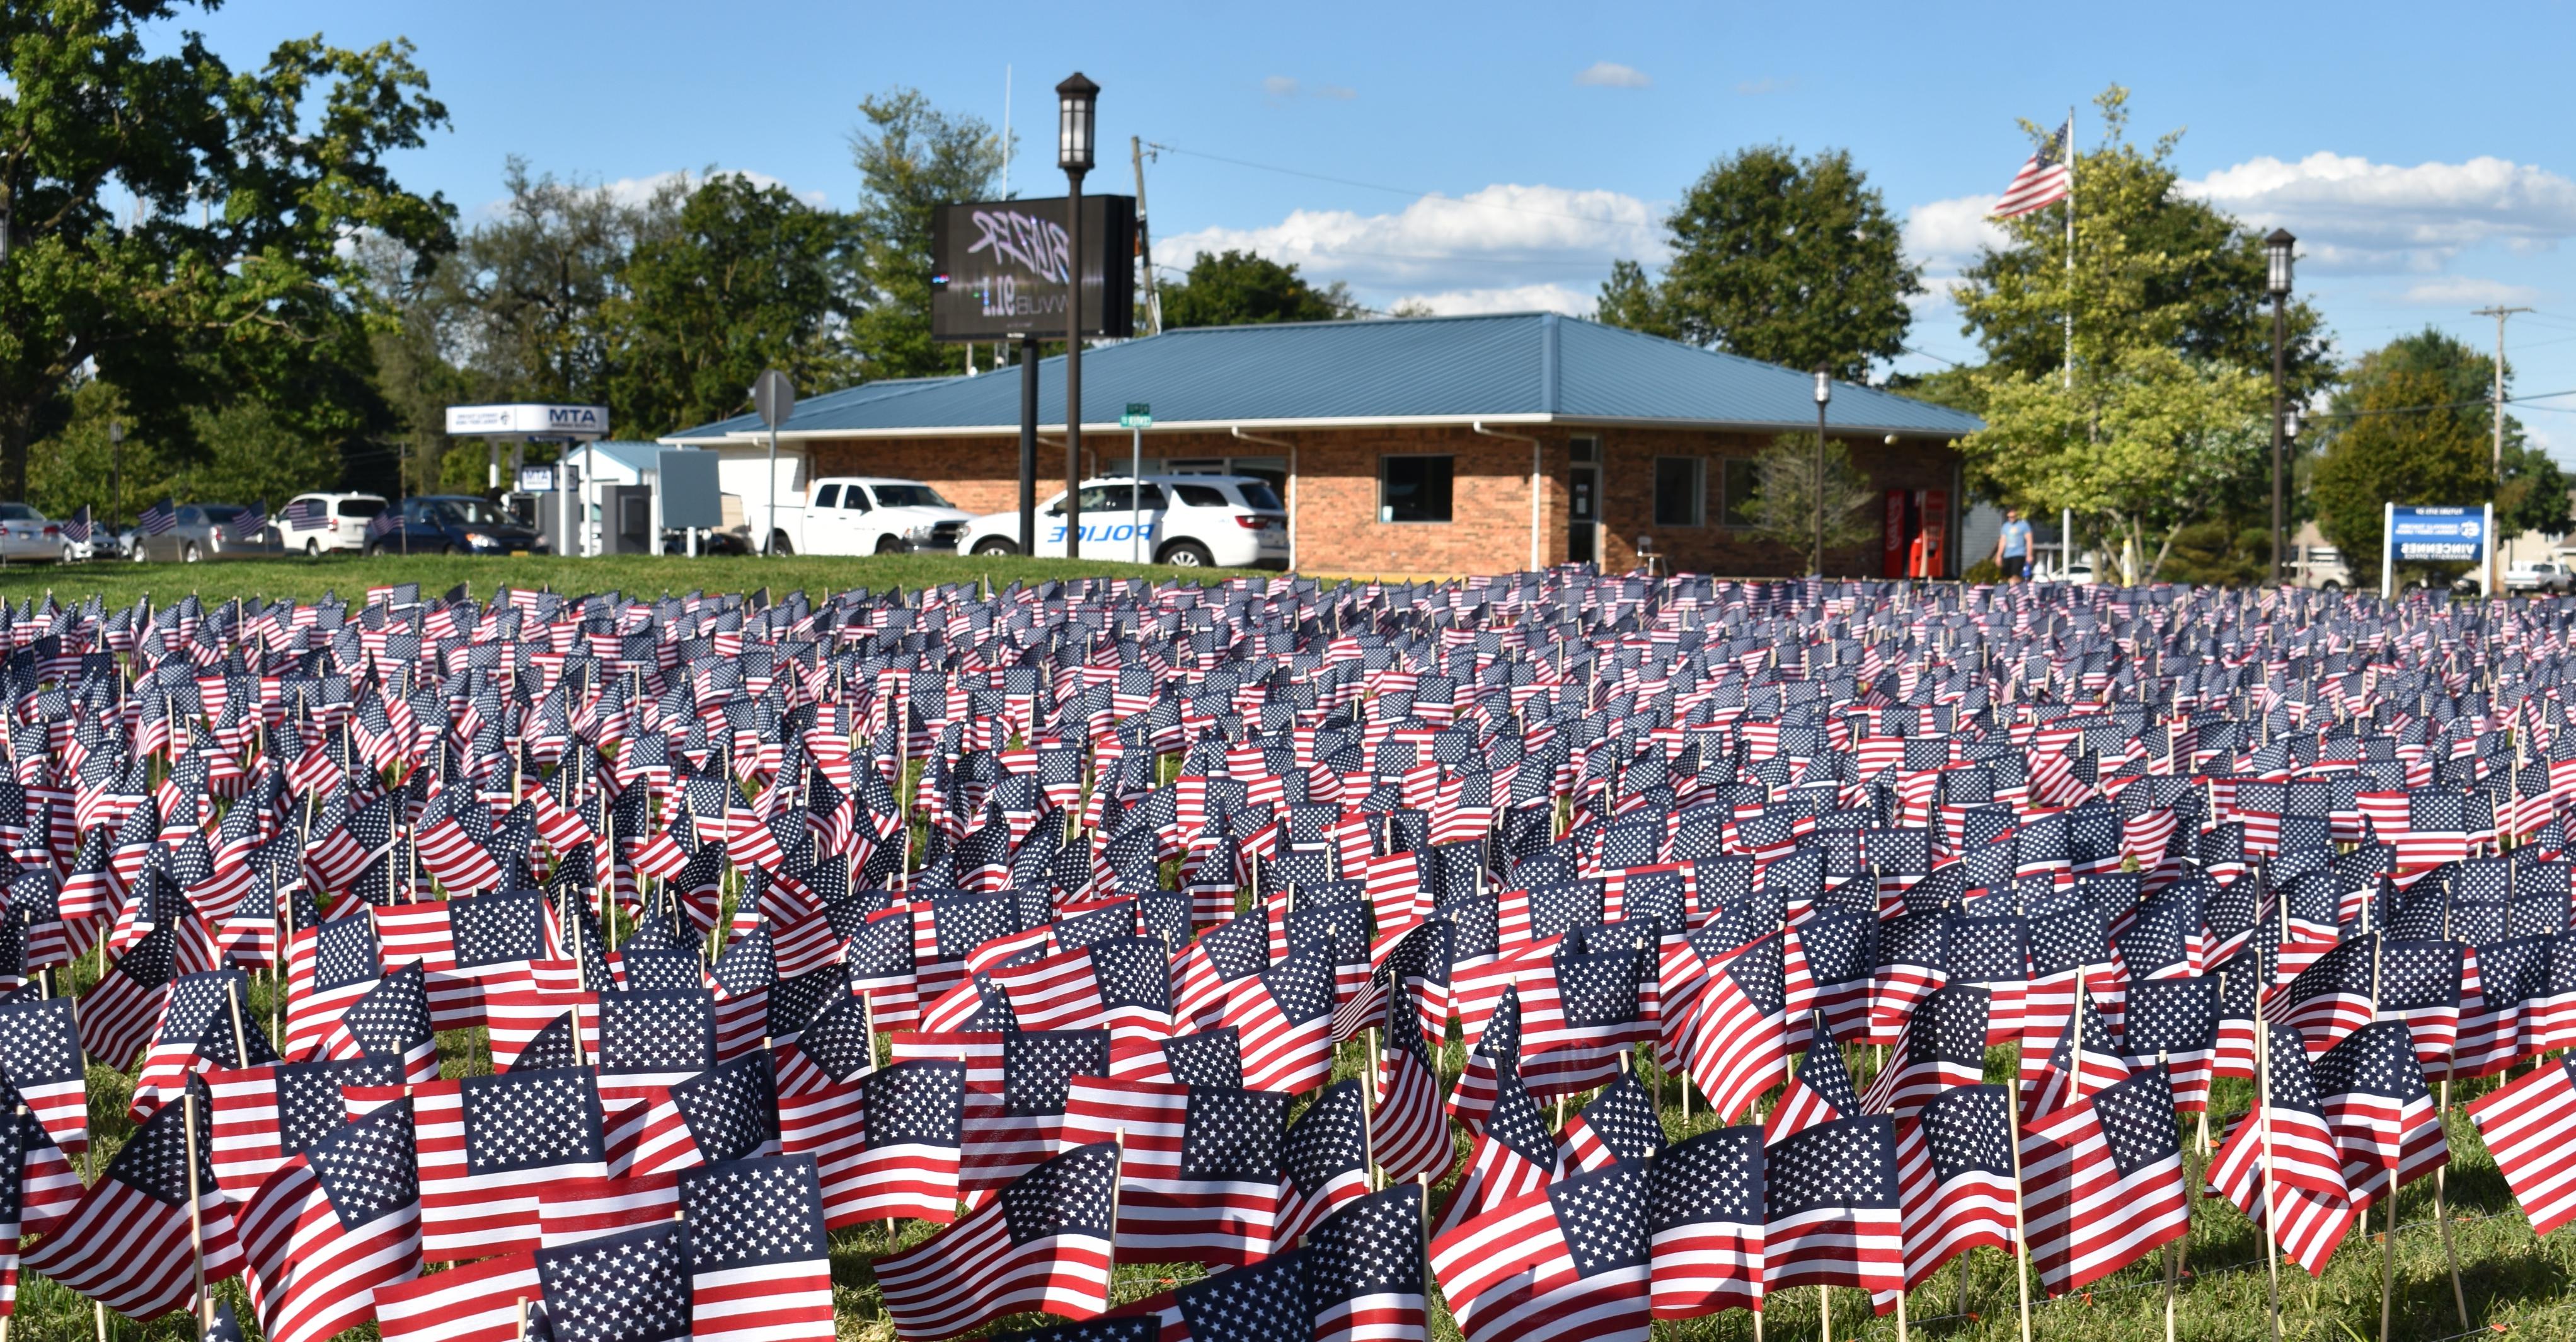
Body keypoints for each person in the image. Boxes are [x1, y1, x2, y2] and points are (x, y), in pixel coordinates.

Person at [1994, 508, 2033, 582]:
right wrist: (1999, 556)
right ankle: (2013, 590)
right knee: (2006, 576)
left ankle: (2016, 591)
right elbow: (2002, 542)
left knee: (2015, 575)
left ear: (2016, 516)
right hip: (2007, 555)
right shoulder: (2005, 526)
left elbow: (2029, 540)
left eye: (2012, 517)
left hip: (2019, 554)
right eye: (2009, 517)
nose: (2011, 519)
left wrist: (2029, 555)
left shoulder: (2024, 525)